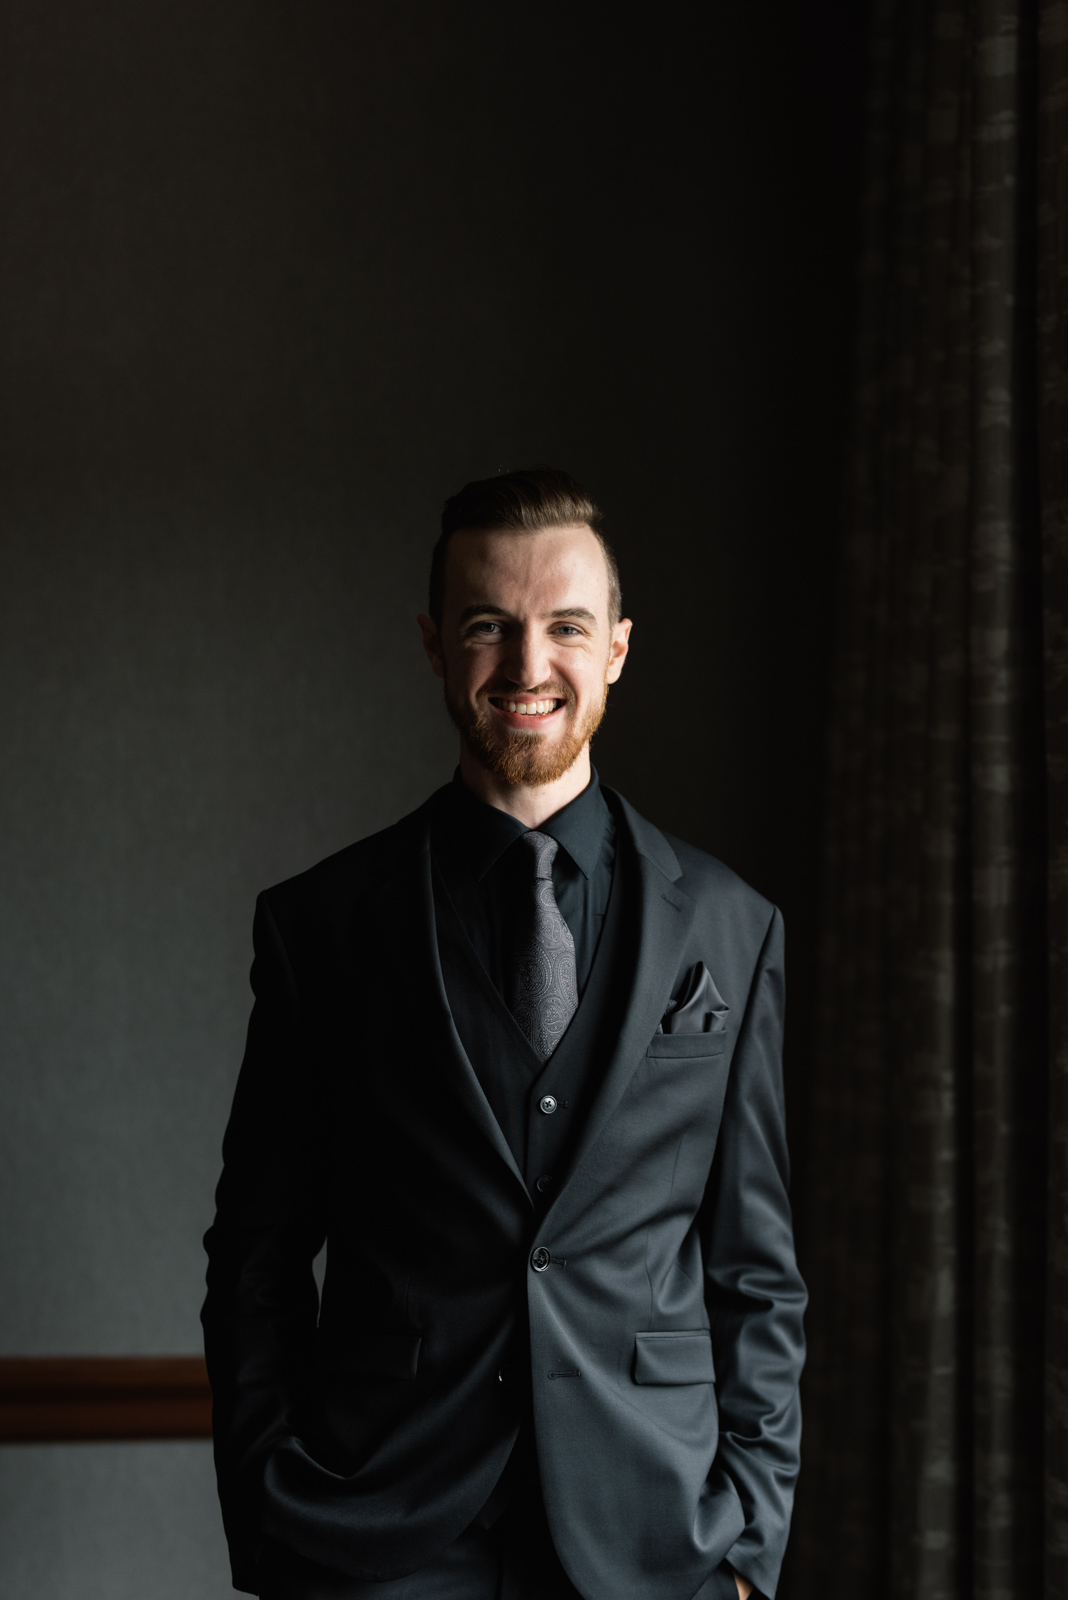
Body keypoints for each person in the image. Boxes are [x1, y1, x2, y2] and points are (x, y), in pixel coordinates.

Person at [202, 467, 806, 1600]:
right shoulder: (319, 927)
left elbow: (756, 1268)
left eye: (566, 627)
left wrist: (748, 1543)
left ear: (618, 647)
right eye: (491, 627)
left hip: (659, 1541)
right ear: (436, 645)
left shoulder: (733, 925)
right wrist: (272, 1515)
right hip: (379, 1533)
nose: (530, 668)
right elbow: (255, 1255)